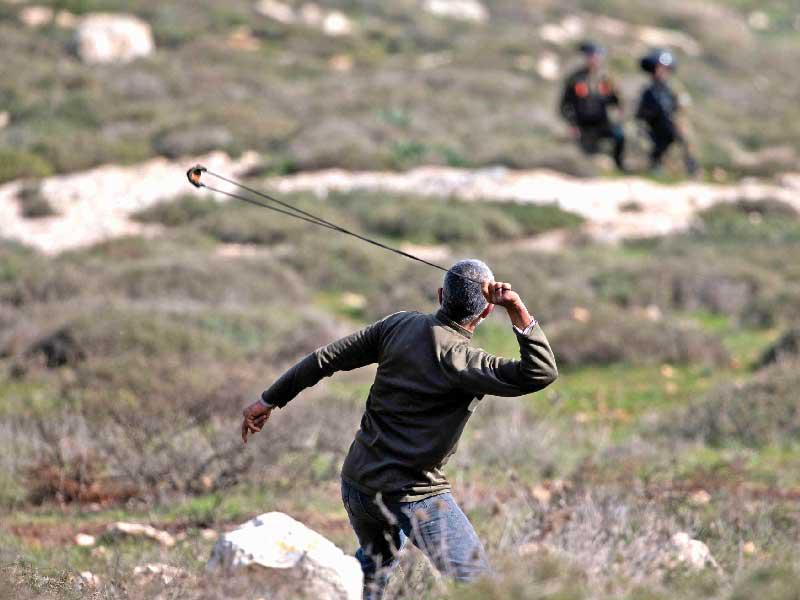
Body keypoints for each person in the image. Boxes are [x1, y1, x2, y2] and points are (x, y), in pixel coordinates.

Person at [240, 259, 558, 599]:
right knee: (481, 586)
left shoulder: (398, 325)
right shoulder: (466, 361)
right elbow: (540, 371)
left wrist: (268, 400)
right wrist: (517, 309)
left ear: (440, 296)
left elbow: (325, 359)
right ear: (484, 314)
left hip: (358, 483)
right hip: (413, 494)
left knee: (371, 575)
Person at [559, 41, 627, 171]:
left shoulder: (606, 78)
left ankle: (619, 166)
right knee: (587, 158)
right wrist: (572, 125)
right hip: (583, 126)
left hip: (602, 123)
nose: (594, 59)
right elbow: (564, 106)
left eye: (597, 56)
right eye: (592, 56)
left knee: (619, 135)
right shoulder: (575, 79)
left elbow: (617, 102)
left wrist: (618, 112)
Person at [635, 48, 698, 175]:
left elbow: (684, 107)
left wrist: (675, 120)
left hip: (672, 125)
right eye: (657, 68)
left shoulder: (674, 87)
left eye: (662, 68)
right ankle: (655, 163)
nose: (659, 72)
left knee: (685, 134)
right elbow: (641, 114)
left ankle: (691, 165)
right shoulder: (649, 91)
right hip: (655, 127)